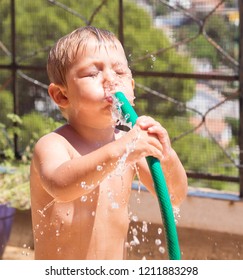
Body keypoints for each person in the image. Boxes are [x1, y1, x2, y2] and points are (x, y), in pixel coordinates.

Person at [30, 26, 188, 260]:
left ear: (131, 87)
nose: (110, 80)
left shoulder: (129, 145)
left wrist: (166, 155)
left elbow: (174, 195)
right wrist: (123, 148)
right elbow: (61, 187)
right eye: (92, 73)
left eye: (120, 72)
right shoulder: (54, 144)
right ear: (62, 96)